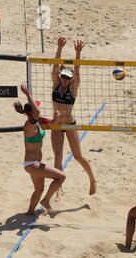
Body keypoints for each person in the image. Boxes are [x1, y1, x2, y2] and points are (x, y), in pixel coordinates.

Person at [51, 37, 96, 198]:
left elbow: (77, 70)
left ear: (71, 80)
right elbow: (55, 66)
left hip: (70, 124)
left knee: (77, 156)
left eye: (67, 78)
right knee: (58, 158)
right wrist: (59, 48)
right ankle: (58, 188)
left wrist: (78, 53)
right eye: (63, 76)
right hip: (56, 125)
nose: (65, 79)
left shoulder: (73, 87)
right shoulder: (56, 83)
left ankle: (92, 179)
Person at [15, 84, 66, 216]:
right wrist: (27, 94)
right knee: (61, 177)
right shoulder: (28, 126)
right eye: (36, 107)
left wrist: (56, 117)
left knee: (39, 189)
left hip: (35, 163)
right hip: (32, 164)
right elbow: (36, 112)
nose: (39, 110)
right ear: (31, 113)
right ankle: (45, 201)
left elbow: (52, 123)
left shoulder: (38, 122)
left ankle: (29, 213)